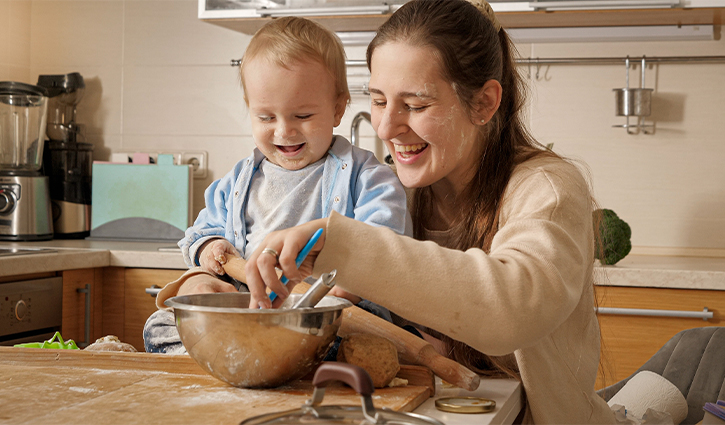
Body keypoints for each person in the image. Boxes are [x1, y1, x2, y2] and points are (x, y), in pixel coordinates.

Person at [243, 1, 617, 423]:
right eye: (380, 101)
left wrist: (342, 246)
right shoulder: (391, 190)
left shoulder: (546, 188)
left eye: (416, 106)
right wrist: (212, 268)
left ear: (484, 103)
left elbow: (511, 310)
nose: (385, 128)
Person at [143, 16, 409, 354]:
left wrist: (348, 288)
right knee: (164, 322)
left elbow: (387, 245)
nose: (284, 131)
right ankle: (234, 355)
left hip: (325, 317)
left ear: (338, 108)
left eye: (302, 116)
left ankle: (248, 359)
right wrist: (211, 248)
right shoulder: (239, 180)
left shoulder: (368, 177)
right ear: (249, 110)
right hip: (251, 312)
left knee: (350, 340)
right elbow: (201, 231)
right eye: (266, 117)